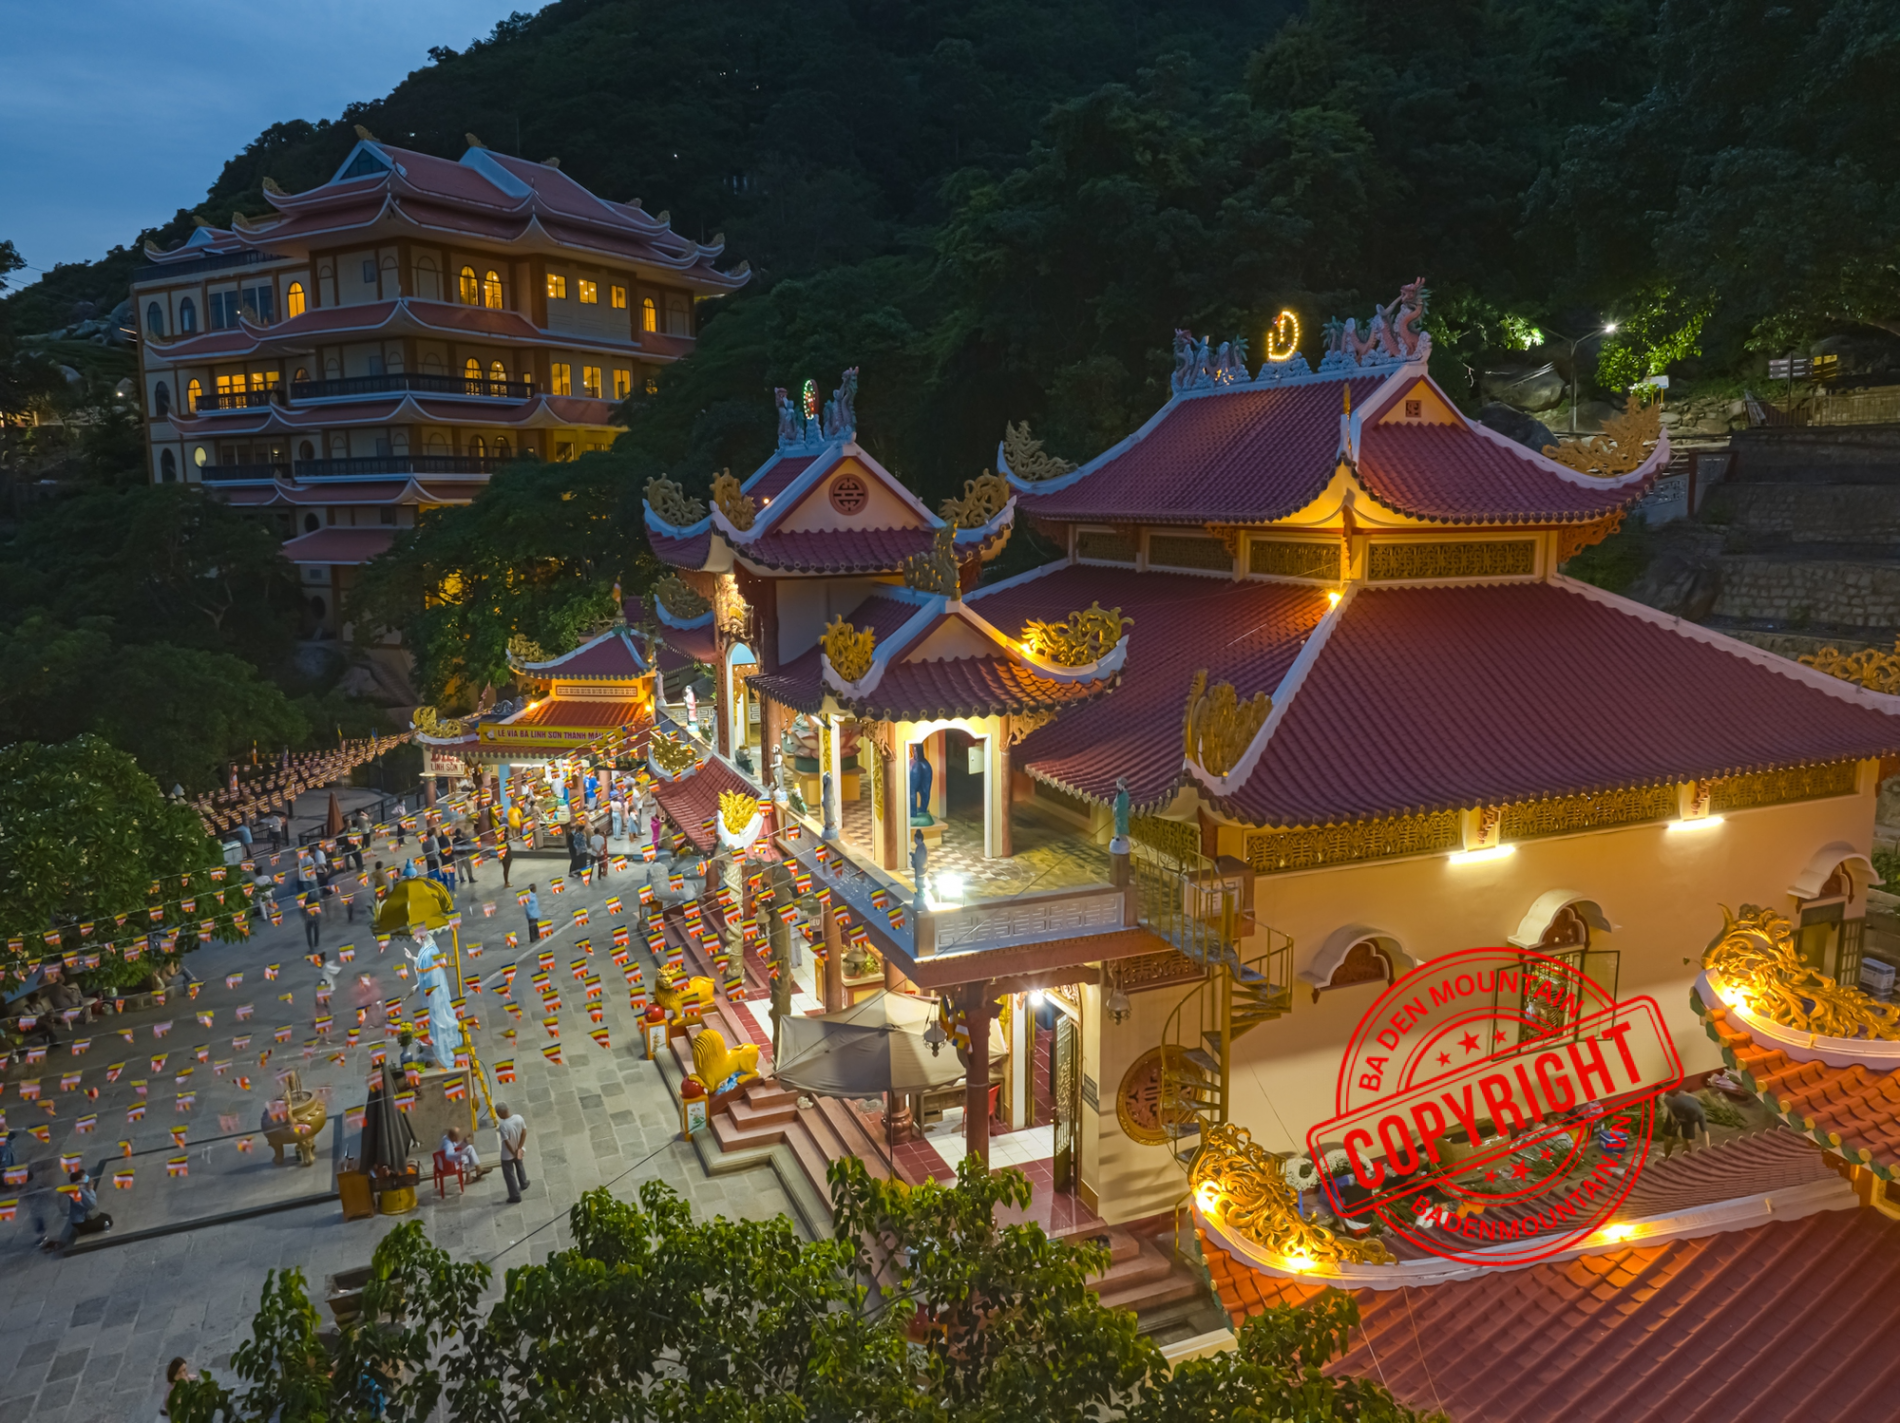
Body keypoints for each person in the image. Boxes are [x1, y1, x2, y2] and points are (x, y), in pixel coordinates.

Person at [495, 1103, 529, 1203]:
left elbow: (506, 1142)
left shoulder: (503, 1126)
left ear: (500, 1113)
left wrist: (513, 1153)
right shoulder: (519, 1118)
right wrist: (519, 1148)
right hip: (519, 1149)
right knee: (520, 1165)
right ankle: (524, 1183)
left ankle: (515, 1196)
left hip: (507, 1155)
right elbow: (524, 1133)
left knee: (509, 1175)